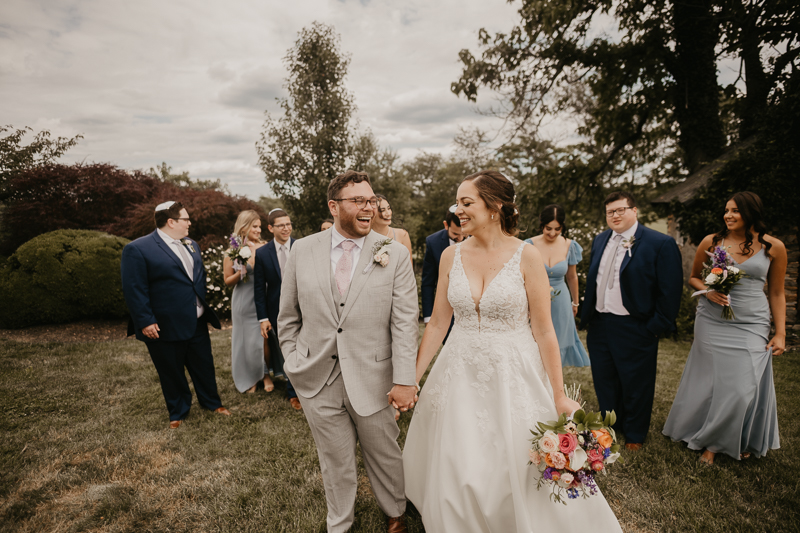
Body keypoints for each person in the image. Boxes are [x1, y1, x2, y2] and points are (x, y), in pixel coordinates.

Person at [404, 170, 621, 532]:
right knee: (458, 455)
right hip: (457, 369)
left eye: (466, 202)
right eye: (457, 202)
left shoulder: (527, 256)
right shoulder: (449, 255)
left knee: (515, 457)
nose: (458, 209)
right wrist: (412, 379)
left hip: (512, 370)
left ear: (495, 207)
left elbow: (544, 330)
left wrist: (558, 395)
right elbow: (439, 324)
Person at [278, 170, 418, 533]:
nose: (368, 207)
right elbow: (288, 316)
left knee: (384, 453)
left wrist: (404, 379)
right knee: (334, 459)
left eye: (371, 200)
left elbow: (405, 322)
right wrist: (294, 361)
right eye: (358, 200)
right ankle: (340, 523)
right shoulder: (302, 249)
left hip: (374, 376)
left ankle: (395, 511)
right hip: (316, 376)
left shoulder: (395, 253)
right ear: (334, 206)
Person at [663, 191, 785, 464]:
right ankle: (711, 440)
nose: (728, 215)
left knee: (741, 388)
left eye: (735, 211)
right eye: (726, 210)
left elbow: (777, 292)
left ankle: (718, 442)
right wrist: (708, 291)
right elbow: (694, 278)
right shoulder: (713, 242)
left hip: (752, 322)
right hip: (712, 319)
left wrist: (780, 332)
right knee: (712, 382)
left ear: (750, 213)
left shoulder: (773, 247)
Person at [580, 191, 682, 450]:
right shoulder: (600, 239)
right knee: (604, 380)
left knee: (636, 382)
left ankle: (635, 434)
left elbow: (670, 291)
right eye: (610, 212)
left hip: (636, 326)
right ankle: (609, 428)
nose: (615, 215)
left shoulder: (659, 243)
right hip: (600, 324)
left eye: (620, 210)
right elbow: (595, 280)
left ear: (634, 211)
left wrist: (654, 327)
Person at [121, 201, 231, 429]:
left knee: (204, 365)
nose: (190, 222)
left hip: (196, 320)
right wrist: (145, 320)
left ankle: (212, 403)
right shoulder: (138, 248)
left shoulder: (192, 244)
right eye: (185, 219)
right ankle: (178, 411)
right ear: (171, 222)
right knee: (171, 370)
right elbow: (134, 288)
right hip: (164, 324)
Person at [525, 204, 590, 367]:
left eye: (557, 229)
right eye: (548, 228)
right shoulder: (528, 245)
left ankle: (555, 385)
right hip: (535, 298)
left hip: (560, 300)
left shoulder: (570, 245)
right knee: (535, 341)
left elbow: (572, 276)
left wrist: (575, 302)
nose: (552, 233)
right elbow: (522, 277)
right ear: (541, 225)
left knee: (558, 340)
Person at [254, 208, 300, 409]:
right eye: (281, 225)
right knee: (287, 349)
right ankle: (293, 392)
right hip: (276, 309)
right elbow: (258, 288)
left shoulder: (302, 246)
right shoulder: (262, 254)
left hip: (304, 307)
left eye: (288, 224)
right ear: (271, 228)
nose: (286, 228)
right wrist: (263, 318)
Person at [223, 210, 268, 393]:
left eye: (259, 226)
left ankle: (266, 374)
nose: (258, 230)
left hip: (263, 297)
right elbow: (227, 281)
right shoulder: (232, 251)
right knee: (247, 342)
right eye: (254, 226)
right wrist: (241, 271)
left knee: (264, 341)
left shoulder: (265, 246)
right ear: (244, 227)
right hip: (244, 300)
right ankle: (251, 377)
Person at [421, 208, 463, 342]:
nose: (461, 238)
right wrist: (428, 317)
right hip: (446, 310)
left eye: (464, 234)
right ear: (446, 225)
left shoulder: (478, 239)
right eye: (456, 234)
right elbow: (428, 283)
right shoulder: (433, 242)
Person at [373, 194, 413, 265]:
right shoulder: (364, 236)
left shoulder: (402, 235)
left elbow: (409, 268)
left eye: (389, 208)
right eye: (383, 210)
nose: (388, 213)